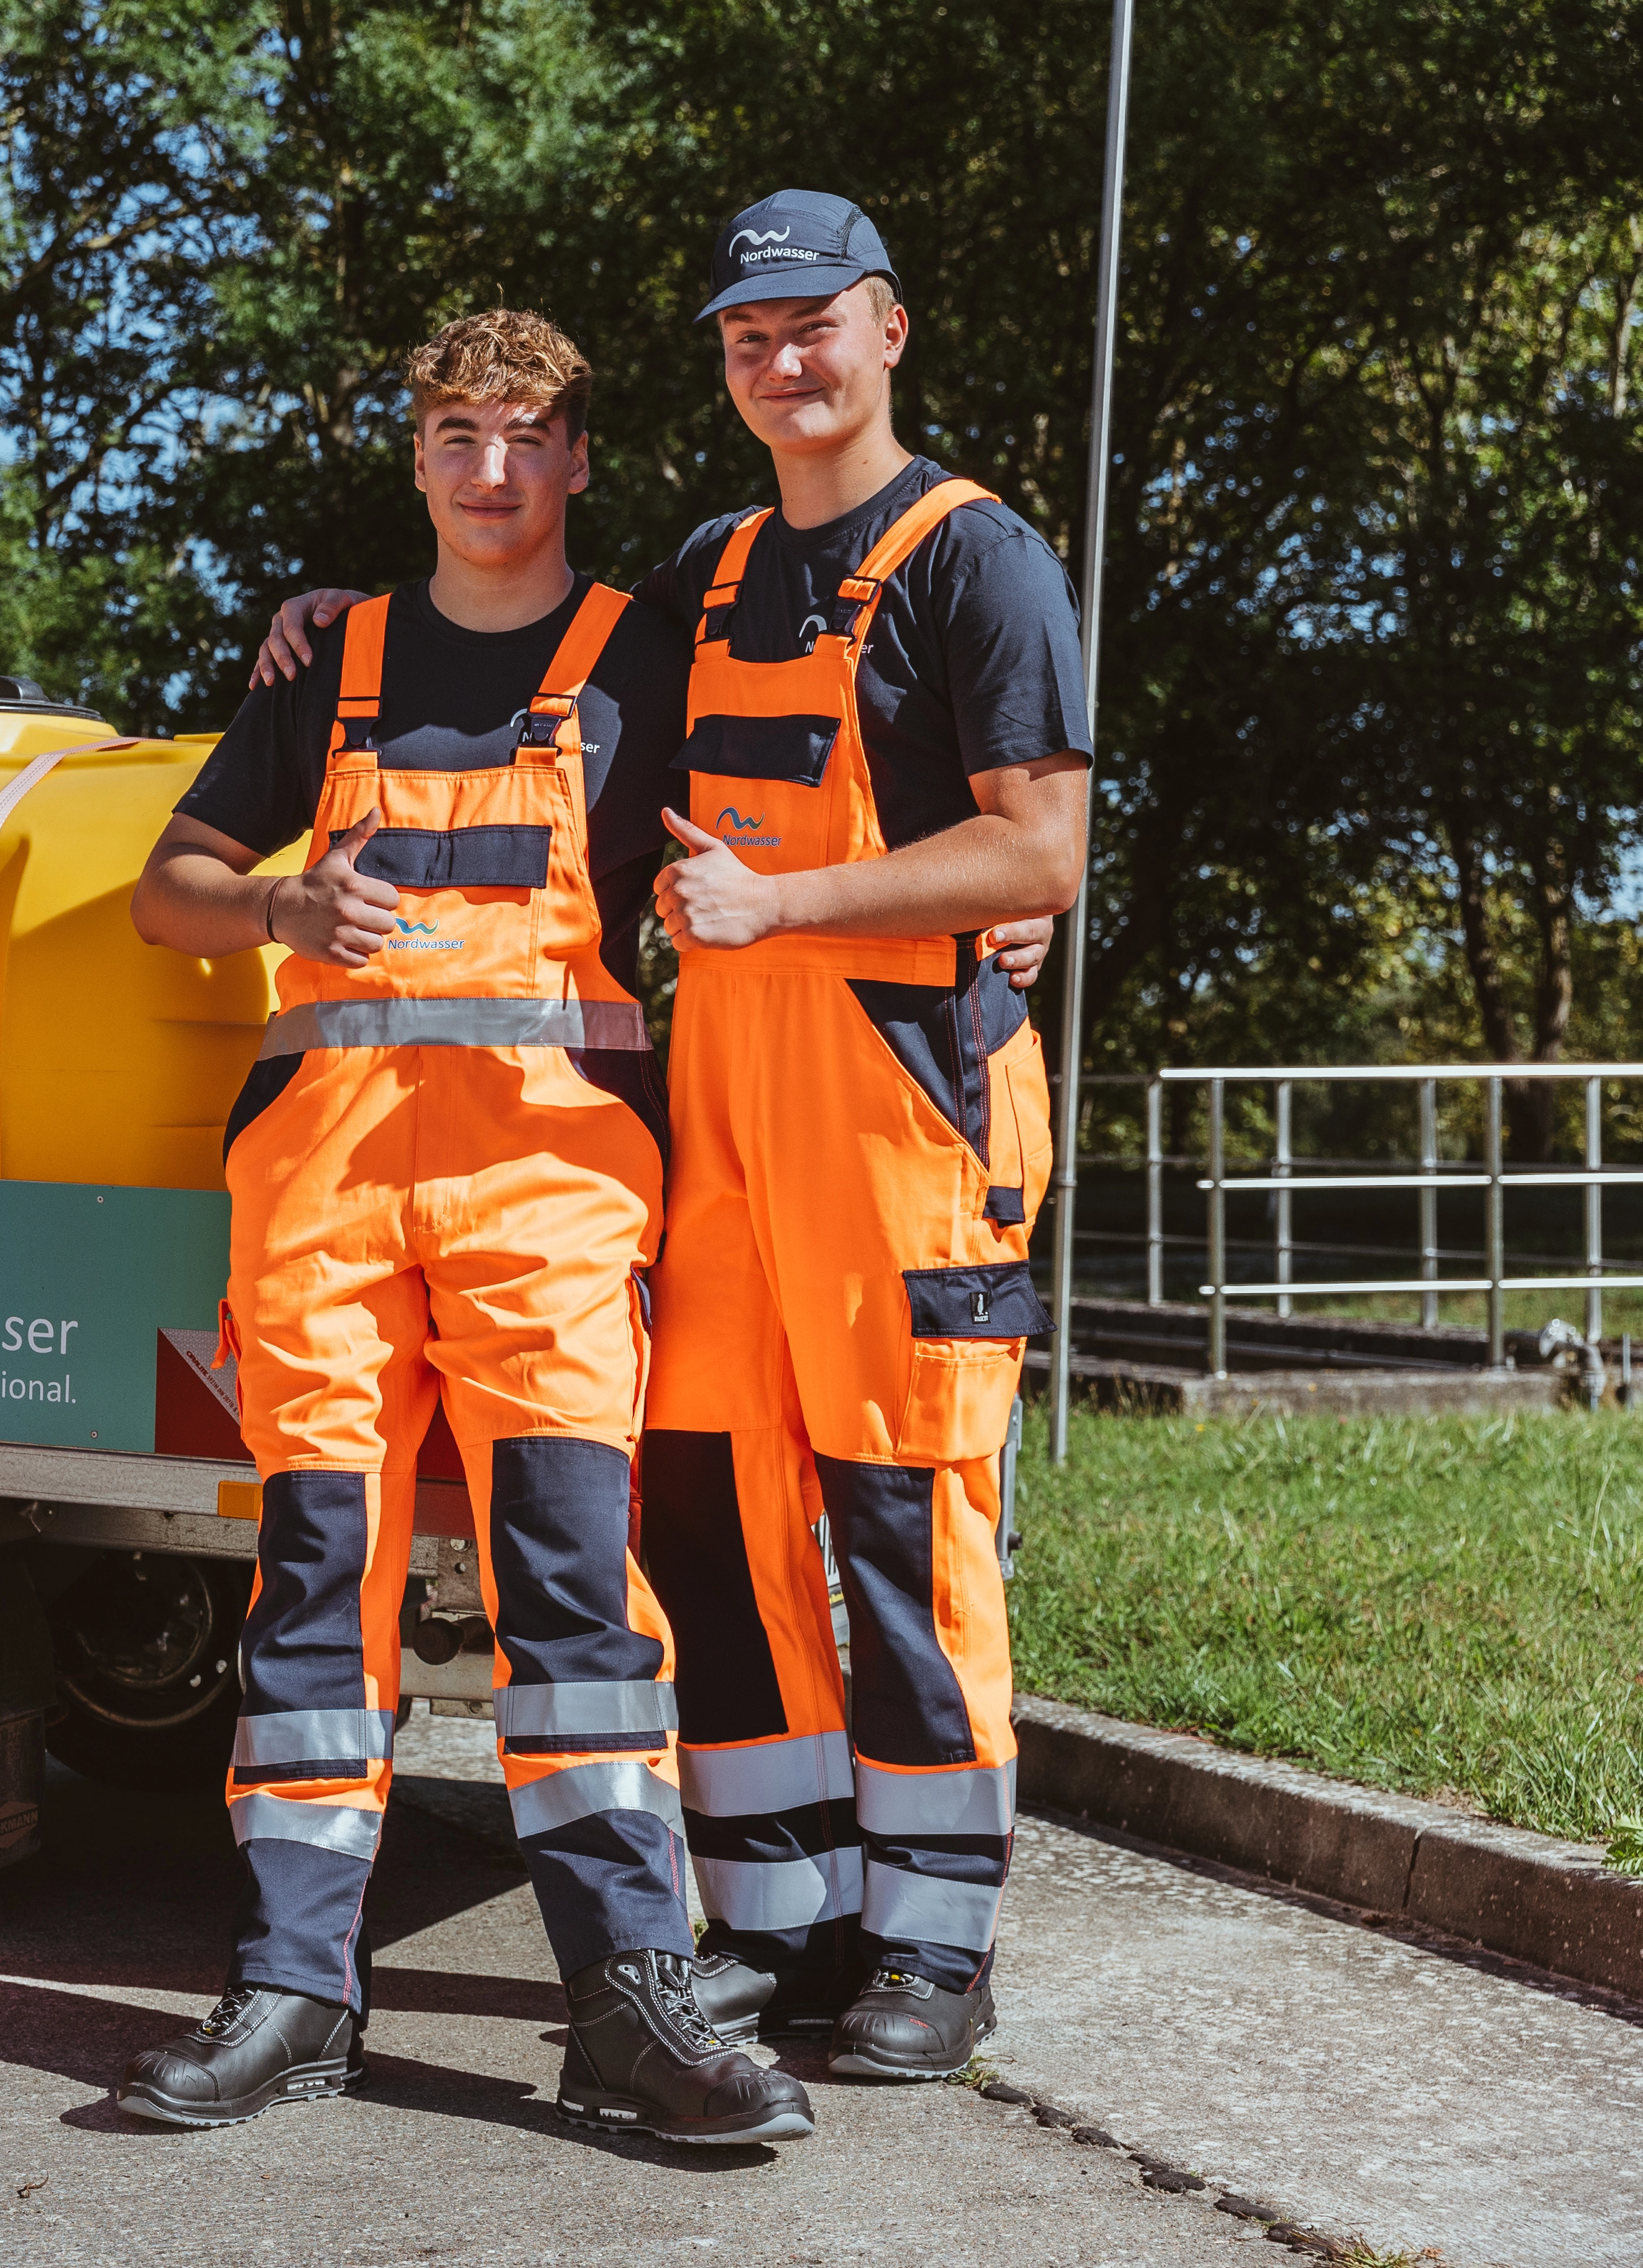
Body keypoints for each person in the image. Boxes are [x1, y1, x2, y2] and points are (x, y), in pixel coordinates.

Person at [120, 309, 813, 2144]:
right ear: (417, 458)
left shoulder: (644, 656)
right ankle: (293, 1991)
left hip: (553, 1195)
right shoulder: (327, 657)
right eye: (455, 435)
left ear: (577, 457)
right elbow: (168, 891)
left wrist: (995, 912)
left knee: (576, 1594)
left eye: (525, 435)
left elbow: (803, 812)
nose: (490, 469)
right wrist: (280, 908)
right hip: (323, 1196)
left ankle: (628, 1999)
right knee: (310, 1592)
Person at [628, 191, 1088, 2080]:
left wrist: (782, 907)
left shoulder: (978, 560)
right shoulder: (711, 567)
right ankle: (785, 1921)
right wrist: (355, 621)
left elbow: (1040, 850)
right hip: (726, 1128)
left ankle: (935, 1946)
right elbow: (552, 689)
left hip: (909, 1119)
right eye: (749, 337)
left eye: (813, 324)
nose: (782, 362)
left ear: (888, 329)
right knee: (712, 1517)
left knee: (903, 1524)